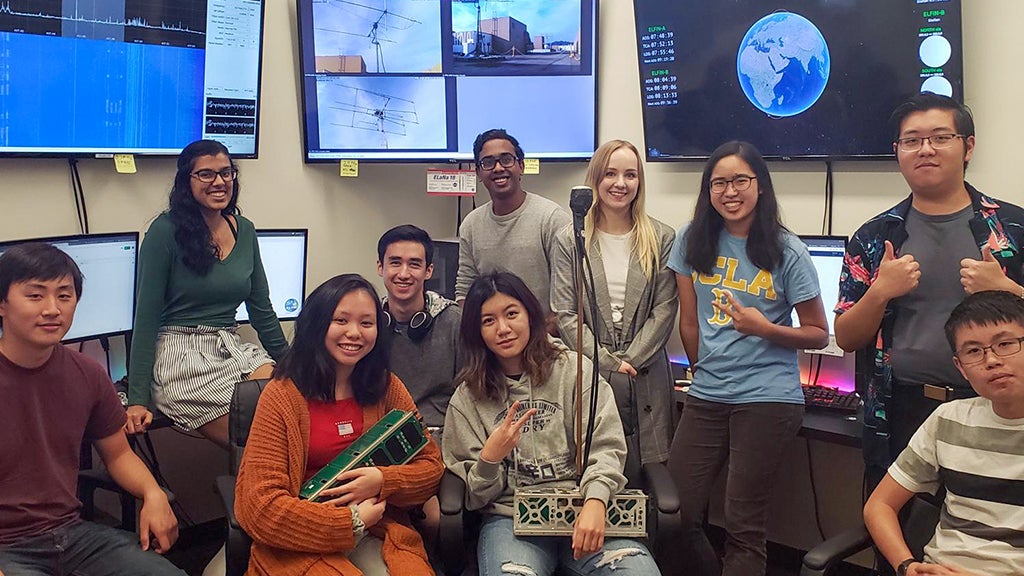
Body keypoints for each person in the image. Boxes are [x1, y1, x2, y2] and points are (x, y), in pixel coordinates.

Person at [834, 93, 1024, 491]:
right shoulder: (874, 237)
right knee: (897, 531)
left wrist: (1007, 289)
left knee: (991, 533)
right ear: (897, 151)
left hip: (1002, 409)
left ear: (968, 146)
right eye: (912, 140)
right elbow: (848, 338)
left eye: (940, 137)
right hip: (900, 408)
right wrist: (880, 292)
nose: (926, 149)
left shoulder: (1013, 229)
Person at [667, 141, 829, 576]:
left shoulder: (787, 250)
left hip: (768, 398)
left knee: (743, 526)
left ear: (760, 186)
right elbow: (689, 323)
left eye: (740, 180)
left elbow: (819, 333)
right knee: (671, 515)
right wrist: (703, 372)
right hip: (707, 394)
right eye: (719, 182)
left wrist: (766, 329)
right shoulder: (691, 240)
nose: (730, 191)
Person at [443, 271, 662, 576]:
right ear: (476, 331)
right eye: (488, 321)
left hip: (585, 508)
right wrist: (489, 459)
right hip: (512, 522)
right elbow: (475, 496)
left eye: (511, 314)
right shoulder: (468, 398)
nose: (503, 329)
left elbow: (606, 446)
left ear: (530, 315)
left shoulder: (575, 370)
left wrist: (597, 500)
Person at [234, 274, 444, 576]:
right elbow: (260, 507)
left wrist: (383, 481)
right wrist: (350, 522)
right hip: (298, 540)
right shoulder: (281, 395)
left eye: (366, 323)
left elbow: (431, 469)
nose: (354, 333)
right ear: (318, 325)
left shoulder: (386, 388)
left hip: (377, 529)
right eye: (341, 321)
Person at [0, 243, 183, 575]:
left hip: (72, 536)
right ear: (2, 304)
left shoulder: (87, 373)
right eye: (35, 296)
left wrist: (152, 492)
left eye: (64, 296)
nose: (53, 309)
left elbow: (118, 455)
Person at [126, 139, 288, 449]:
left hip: (230, 346)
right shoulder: (164, 232)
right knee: (261, 446)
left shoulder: (245, 229)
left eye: (226, 173)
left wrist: (294, 364)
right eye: (206, 174)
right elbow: (145, 318)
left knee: (286, 400)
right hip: (181, 350)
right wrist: (138, 398)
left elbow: (262, 309)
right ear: (186, 181)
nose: (219, 182)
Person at [863, 290, 1024, 576]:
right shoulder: (948, 419)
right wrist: (907, 566)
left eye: (1005, 344)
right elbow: (879, 504)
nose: (992, 360)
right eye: (974, 351)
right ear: (960, 367)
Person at [550, 139, 677, 464]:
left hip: (646, 370)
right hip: (590, 369)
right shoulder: (569, 239)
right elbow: (566, 315)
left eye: (630, 175)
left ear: (639, 182)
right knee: (593, 464)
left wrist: (628, 362)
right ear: (596, 179)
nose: (620, 184)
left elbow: (665, 309)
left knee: (649, 470)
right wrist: (607, 363)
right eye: (610, 174)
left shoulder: (661, 237)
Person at [455, 128, 572, 325]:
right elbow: (464, 291)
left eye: (506, 159)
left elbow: (567, 301)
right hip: (493, 342)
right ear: (478, 173)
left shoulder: (551, 219)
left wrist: (536, 341)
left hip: (545, 343)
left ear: (521, 166)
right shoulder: (470, 225)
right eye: (488, 163)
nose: (498, 168)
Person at [376, 224, 461, 438]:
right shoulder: (369, 323)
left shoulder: (453, 322)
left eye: (414, 264)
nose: (404, 274)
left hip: (440, 435)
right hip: (379, 435)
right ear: (380, 267)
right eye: (395, 263)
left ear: (429, 270)